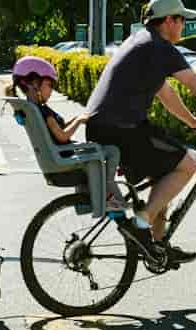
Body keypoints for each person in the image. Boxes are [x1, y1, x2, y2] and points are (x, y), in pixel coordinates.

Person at [85, 0, 196, 264]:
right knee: (187, 165)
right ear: (168, 21)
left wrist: (191, 122)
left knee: (165, 170)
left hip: (109, 127)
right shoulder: (158, 47)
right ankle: (141, 226)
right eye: (181, 20)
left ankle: (157, 245)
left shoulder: (141, 42)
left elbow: (165, 93)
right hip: (121, 130)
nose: (183, 26)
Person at [10, 56, 125, 215]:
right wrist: (78, 121)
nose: (51, 90)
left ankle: (92, 200)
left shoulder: (33, 109)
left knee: (96, 151)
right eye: (49, 84)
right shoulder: (44, 112)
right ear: (33, 83)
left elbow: (59, 129)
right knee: (112, 151)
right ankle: (109, 197)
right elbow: (63, 136)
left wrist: (80, 118)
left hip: (56, 156)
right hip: (63, 159)